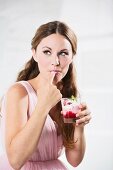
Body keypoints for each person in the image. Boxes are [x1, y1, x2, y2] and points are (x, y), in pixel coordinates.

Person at [0, 21, 91, 170]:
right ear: (34, 53)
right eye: (47, 52)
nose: (55, 62)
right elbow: (16, 161)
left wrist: (79, 127)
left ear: (72, 57)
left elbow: (74, 161)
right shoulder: (19, 92)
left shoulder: (69, 96)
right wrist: (43, 105)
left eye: (63, 53)